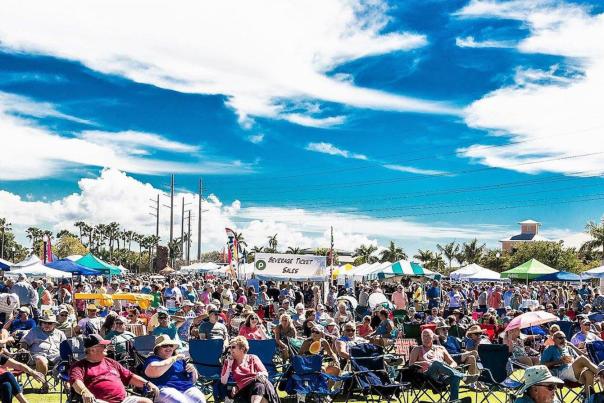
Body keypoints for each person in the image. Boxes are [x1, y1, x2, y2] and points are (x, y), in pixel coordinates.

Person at [70, 334, 159, 403]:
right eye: (103, 346)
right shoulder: (79, 366)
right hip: (99, 401)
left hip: (123, 400)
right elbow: (76, 382)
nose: (106, 347)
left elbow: (129, 376)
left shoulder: (110, 362)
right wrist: (85, 391)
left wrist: (148, 383)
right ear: (92, 350)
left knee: (146, 401)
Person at [408, 329, 468, 402]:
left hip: (442, 377)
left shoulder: (441, 348)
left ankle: (453, 401)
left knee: (455, 377)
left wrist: (447, 368)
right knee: (436, 363)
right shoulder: (417, 349)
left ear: (433, 337)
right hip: (426, 378)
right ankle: (463, 376)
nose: (426, 338)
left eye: (428, 336)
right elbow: (411, 365)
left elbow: (453, 363)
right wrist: (425, 363)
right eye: (423, 336)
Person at [144, 335, 204, 403]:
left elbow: (193, 381)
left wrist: (193, 370)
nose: (169, 347)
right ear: (158, 349)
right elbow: (152, 372)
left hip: (186, 388)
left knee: (200, 400)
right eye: (165, 345)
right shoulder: (153, 359)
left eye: (171, 345)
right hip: (164, 388)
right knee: (181, 401)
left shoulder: (180, 361)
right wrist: (173, 358)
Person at [220, 335, 279, 403]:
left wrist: (260, 374)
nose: (230, 349)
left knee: (259, 384)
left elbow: (264, 372)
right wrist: (229, 365)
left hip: (256, 385)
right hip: (243, 390)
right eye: (230, 347)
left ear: (242, 349)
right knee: (260, 387)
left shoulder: (253, 358)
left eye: (233, 347)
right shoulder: (228, 362)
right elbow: (223, 381)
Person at [541, 330, 598, 398]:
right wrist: (560, 361)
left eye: (564, 338)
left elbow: (582, 358)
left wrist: (572, 346)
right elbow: (542, 365)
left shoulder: (568, 348)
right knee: (582, 359)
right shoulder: (550, 349)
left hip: (575, 373)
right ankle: (601, 373)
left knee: (589, 373)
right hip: (562, 374)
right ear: (554, 339)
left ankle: (589, 399)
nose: (563, 340)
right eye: (560, 338)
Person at [20, 313, 65, 389]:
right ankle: (44, 384)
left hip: (56, 357)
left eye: (50, 323)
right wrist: (23, 349)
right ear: (41, 323)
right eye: (44, 322)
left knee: (68, 359)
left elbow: (65, 346)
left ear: (54, 324)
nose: (47, 325)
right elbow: (25, 342)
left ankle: (67, 385)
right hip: (38, 356)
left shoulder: (60, 333)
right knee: (40, 359)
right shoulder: (34, 331)